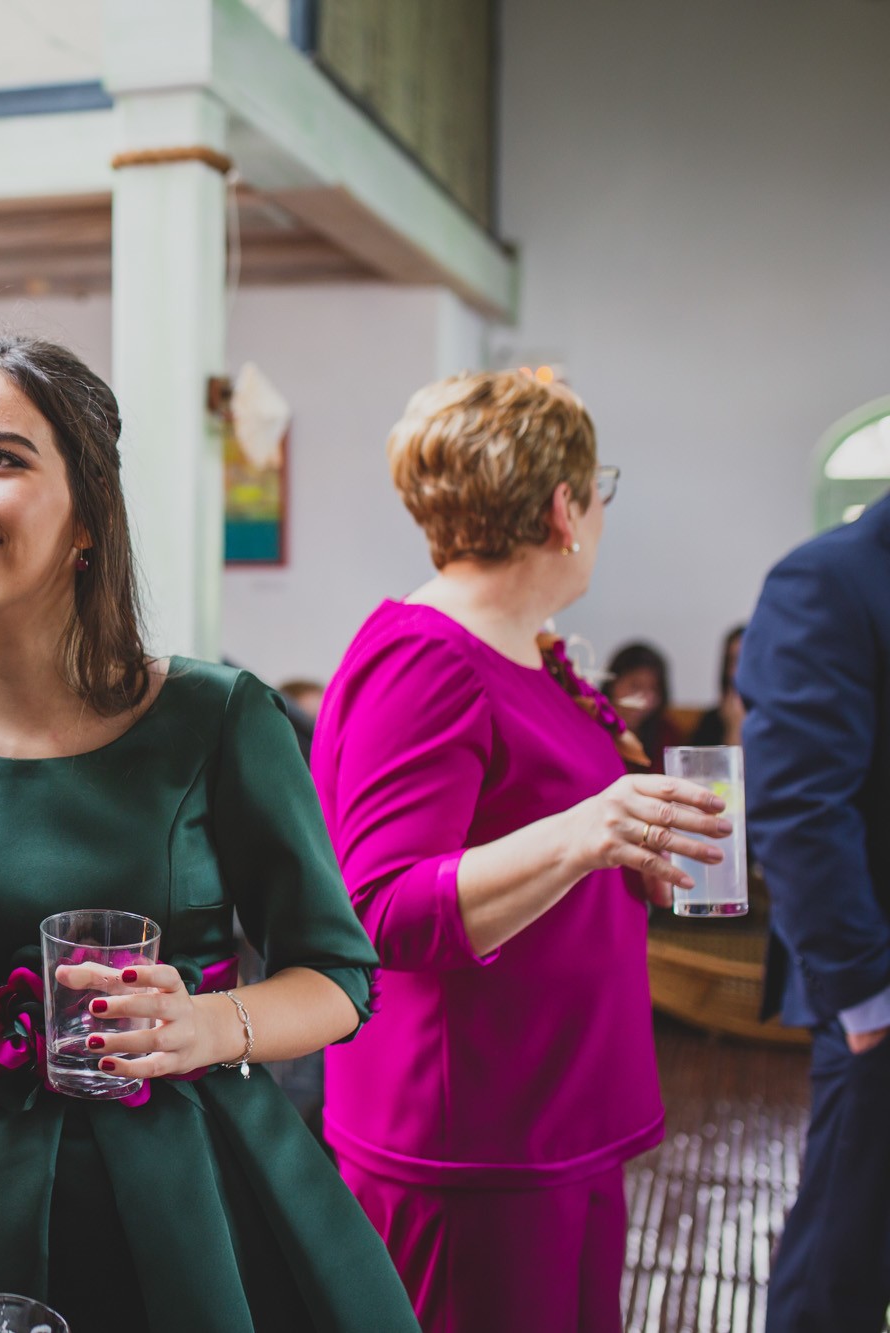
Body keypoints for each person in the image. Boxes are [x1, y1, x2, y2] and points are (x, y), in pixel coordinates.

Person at [0, 338, 415, 1330]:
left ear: (87, 513)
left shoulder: (214, 719)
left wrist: (205, 1027)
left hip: (190, 1194)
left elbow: (339, 974)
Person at [312, 372, 729, 1333]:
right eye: (597, 488)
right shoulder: (426, 661)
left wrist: (624, 854)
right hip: (475, 1141)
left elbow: (522, 834)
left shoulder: (521, 648)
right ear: (561, 508)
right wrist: (587, 832)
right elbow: (380, 909)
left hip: (554, 1108)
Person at [739, 494, 890, 1332]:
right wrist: (868, 1000)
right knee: (843, 1262)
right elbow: (798, 806)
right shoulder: (833, 576)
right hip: (879, 994)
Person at [605, 639, 682, 771]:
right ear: (612, 684)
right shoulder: (592, 728)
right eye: (635, 686)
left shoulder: (665, 733)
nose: (643, 699)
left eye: (653, 689)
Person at [689, 623, 746, 747]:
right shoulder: (712, 721)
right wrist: (733, 728)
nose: (736, 671)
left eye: (745, 660)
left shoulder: (779, 720)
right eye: (733, 661)